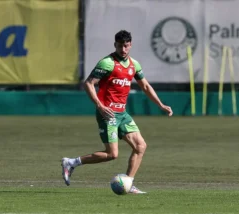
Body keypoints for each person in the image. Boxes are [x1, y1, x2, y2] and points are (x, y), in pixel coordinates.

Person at [61, 30, 173, 194]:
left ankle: (129, 183)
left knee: (140, 146)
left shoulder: (134, 64)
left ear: (130, 45)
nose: (123, 49)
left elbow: (146, 86)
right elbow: (89, 84)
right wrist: (99, 105)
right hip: (108, 114)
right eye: (120, 46)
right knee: (112, 154)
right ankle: (71, 162)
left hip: (122, 114)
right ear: (115, 45)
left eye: (126, 46)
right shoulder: (107, 63)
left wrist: (161, 105)